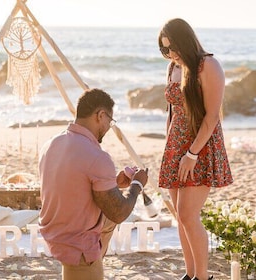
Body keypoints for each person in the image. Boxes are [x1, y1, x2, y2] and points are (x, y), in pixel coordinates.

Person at [38, 88, 149, 280]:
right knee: (115, 212)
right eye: (109, 121)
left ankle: (97, 255)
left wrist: (113, 182)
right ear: (100, 115)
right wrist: (137, 185)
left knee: (108, 215)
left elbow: (72, 185)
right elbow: (119, 212)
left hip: (55, 231)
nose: (108, 127)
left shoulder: (52, 144)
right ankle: (94, 257)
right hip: (78, 244)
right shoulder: (97, 156)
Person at [157, 18, 233, 280]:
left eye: (173, 47)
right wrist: (169, 148)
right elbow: (172, 111)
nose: (170, 53)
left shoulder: (208, 65)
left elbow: (212, 117)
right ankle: (189, 275)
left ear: (185, 40)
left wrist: (191, 154)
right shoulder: (172, 68)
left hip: (200, 146)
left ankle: (203, 277)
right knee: (180, 216)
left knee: (189, 216)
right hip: (175, 146)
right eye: (165, 49)